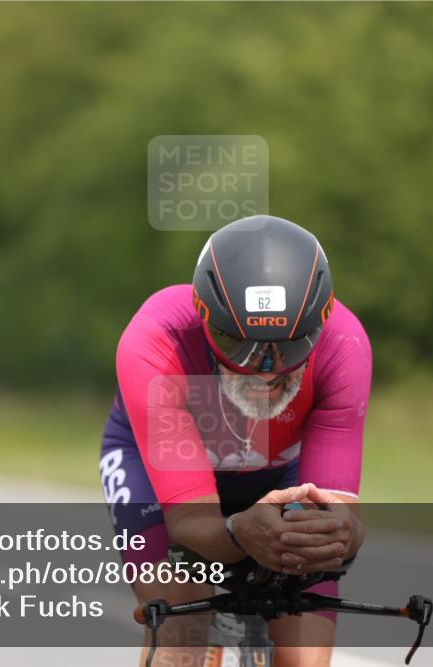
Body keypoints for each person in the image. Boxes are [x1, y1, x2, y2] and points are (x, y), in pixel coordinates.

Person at [99, 215, 371, 666]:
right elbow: (189, 524)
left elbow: (342, 517)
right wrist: (240, 531)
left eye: (289, 346)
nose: (265, 367)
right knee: (182, 638)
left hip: (278, 470)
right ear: (205, 316)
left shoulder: (345, 345)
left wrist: (339, 533)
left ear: (319, 325)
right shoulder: (156, 340)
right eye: (238, 345)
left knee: (305, 658)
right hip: (157, 476)